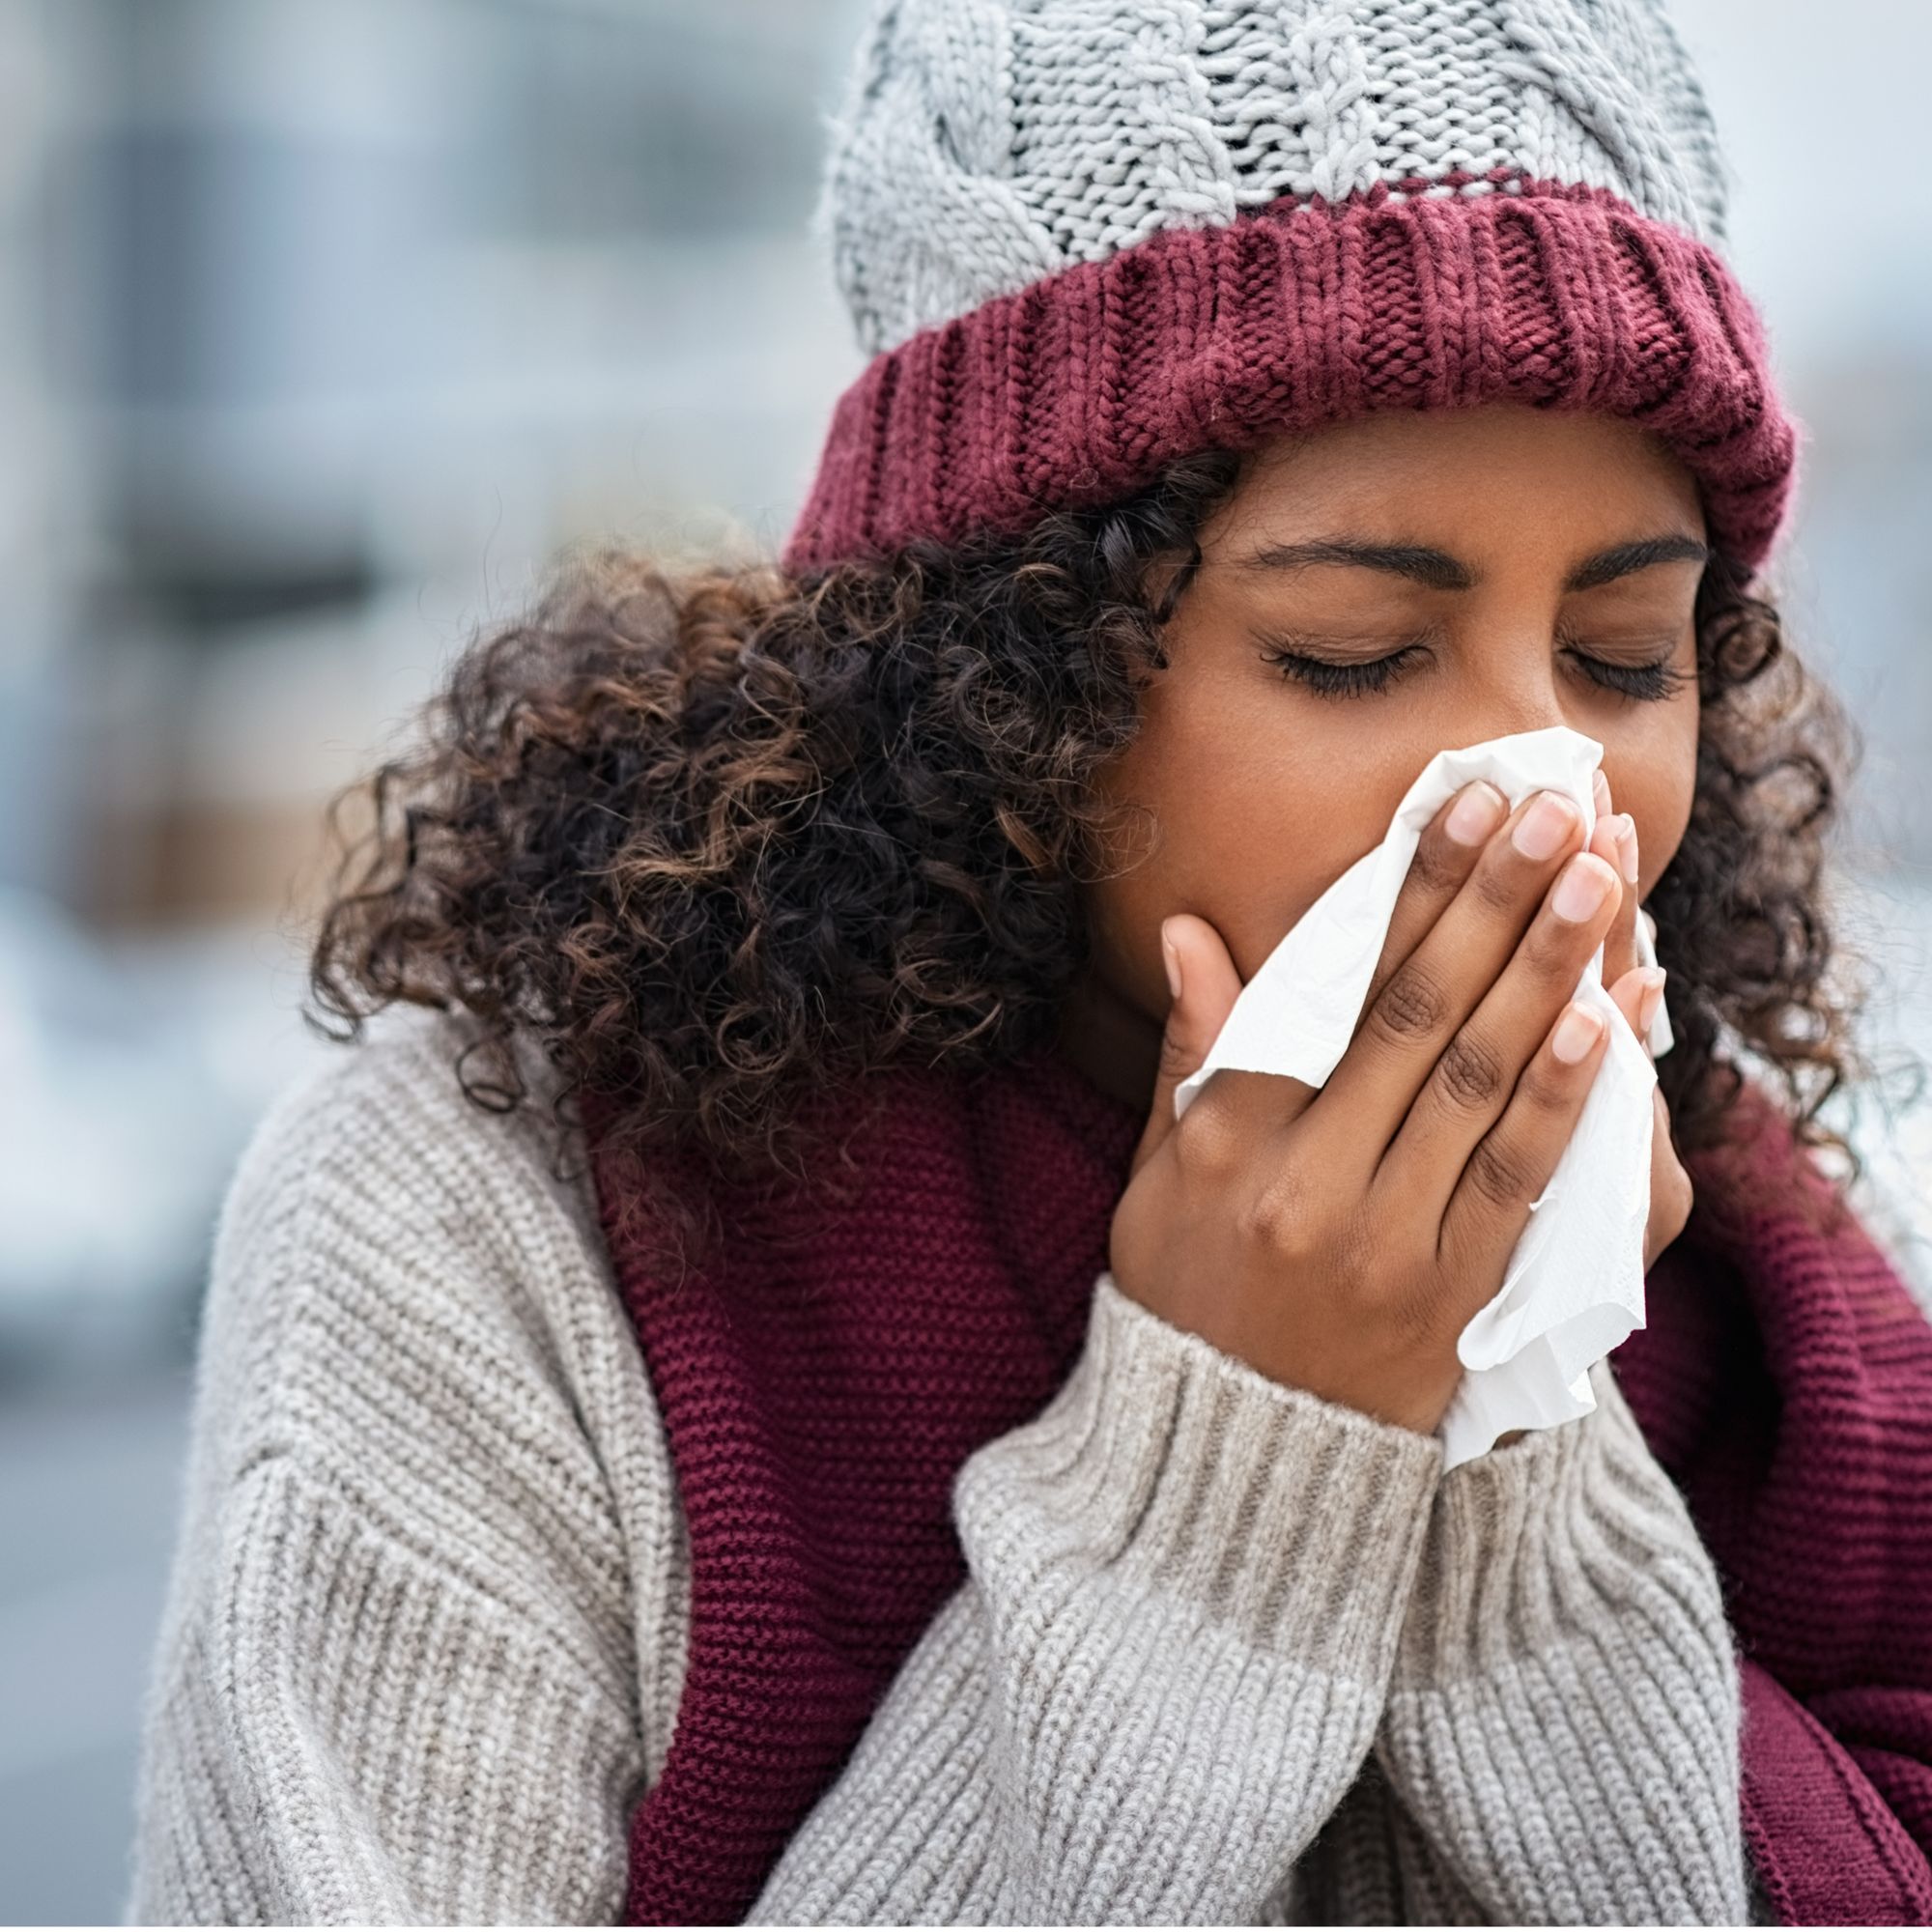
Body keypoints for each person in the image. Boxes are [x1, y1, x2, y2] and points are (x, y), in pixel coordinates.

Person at [127, 2, 1932, 1924]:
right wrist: (1229, 1488)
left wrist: (1508, 1417)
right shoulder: (492, 1223)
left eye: (1623, 659)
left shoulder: (1765, 1277)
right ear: (1004, 678)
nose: (1544, 797)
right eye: (1347, 651)